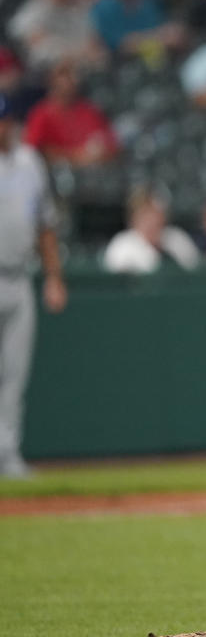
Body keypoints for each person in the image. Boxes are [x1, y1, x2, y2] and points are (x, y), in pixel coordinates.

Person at [0, 94, 68, 478]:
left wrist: (54, 278)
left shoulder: (30, 163)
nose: (3, 126)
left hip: (19, 278)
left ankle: (8, 456)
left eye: (6, 119)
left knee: (14, 376)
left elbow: (45, 227)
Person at [22, 59, 119, 167]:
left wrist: (99, 152)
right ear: (52, 85)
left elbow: (111, 144)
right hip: (58, 173)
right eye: (62, 82)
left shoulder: (89, 110)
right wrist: (75, 156)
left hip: (95, 170)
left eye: (71, 80)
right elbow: (32, 151)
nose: (67, 86)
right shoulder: (41, 114)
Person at [103, 183, 200, 274]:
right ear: (134, 218)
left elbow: (195, 271)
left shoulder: (177, 239)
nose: (152, 220)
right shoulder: (122, 245)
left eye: (156, 213)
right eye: (146, 214)